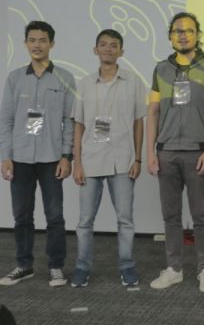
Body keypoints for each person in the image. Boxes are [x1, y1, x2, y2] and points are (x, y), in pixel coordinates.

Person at [147, 12, 204, 293]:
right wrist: (151, 152)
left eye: (189, 30)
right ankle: (174, 269)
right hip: (166, 152)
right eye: (177, 31)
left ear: (198, 35)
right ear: (170, 36)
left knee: (201, 215)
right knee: (171, 216)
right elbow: (153, 112)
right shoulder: (161, 69)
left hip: (197, 152)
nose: (183, 35)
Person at [0, 20, 75, 287]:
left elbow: (70, 121)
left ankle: (56, 267)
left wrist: (67, 156)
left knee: (55, 217)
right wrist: (6, 156)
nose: (37, 45)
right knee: (21, 216)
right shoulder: (15, 78)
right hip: (20, 158)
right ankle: (23, 265)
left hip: (52, 158)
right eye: (32, 40)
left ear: (52, 43)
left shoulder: (65, 78)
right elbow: (6, 120)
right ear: (25, 43)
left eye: (42, 40)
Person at [70, 29, 146, 288]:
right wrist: (77, 163)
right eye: (103, 44)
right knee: (85, 221)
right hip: (90, 158)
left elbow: (138, 122)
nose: (108, 49)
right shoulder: (84, 83)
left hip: (123, 159)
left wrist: (138, 159)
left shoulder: (133, 81)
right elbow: (78, 125)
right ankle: (82, 267)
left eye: (114, 45)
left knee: (125, 219)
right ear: (95, 50)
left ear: (121, 51)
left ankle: (127, 266)